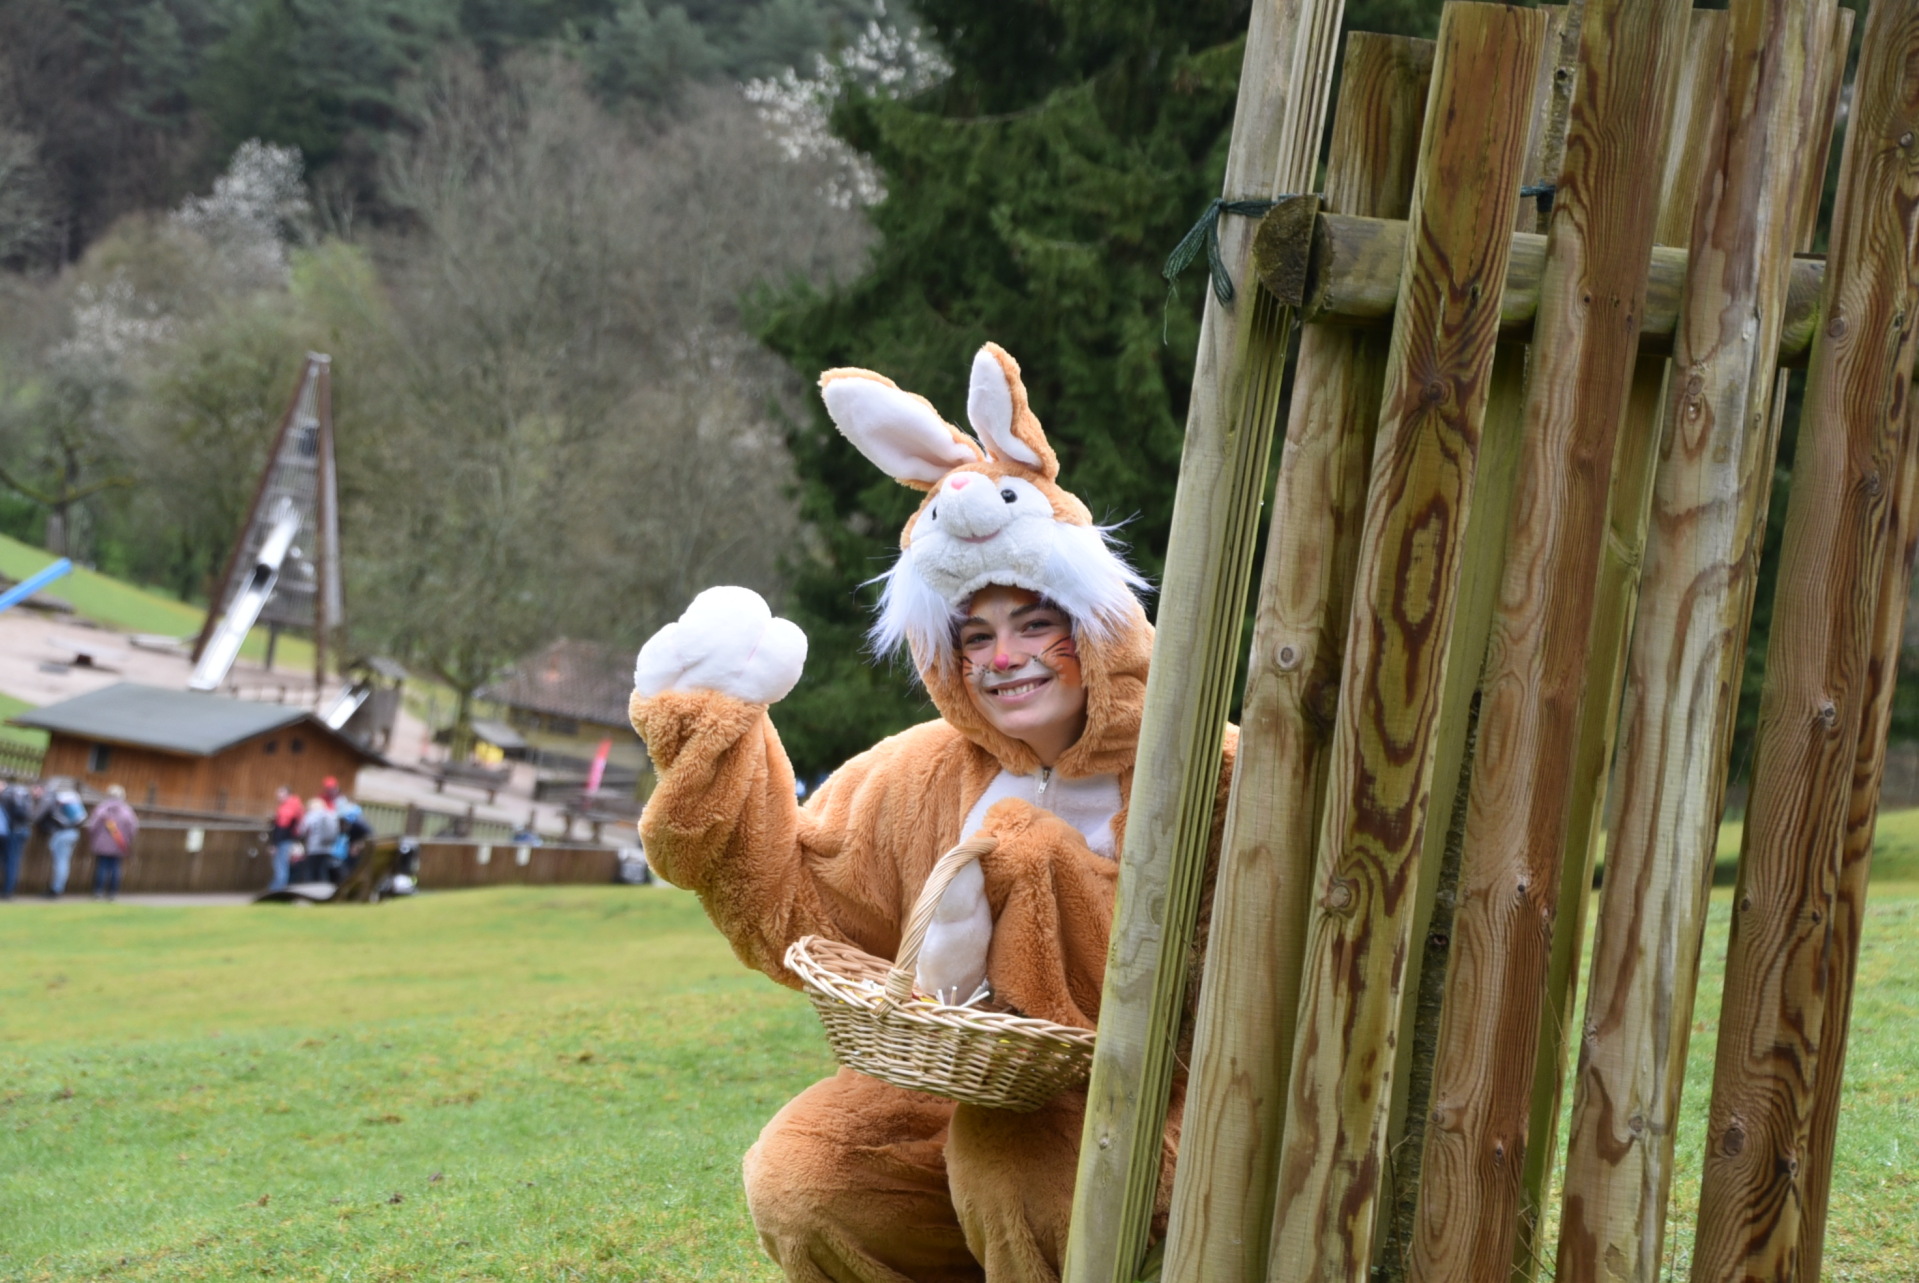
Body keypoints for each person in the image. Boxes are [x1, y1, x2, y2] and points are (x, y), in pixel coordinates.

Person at [630, 345, 1236, 1283]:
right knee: (806, 1175)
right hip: (962, 1090)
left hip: (1165, 1098)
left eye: (1036, 625)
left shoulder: (1208, 762)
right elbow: (798, 909)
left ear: (1094, 624)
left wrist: (1031, 869)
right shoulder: (917, 770)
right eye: (976, 637)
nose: (1006, 659)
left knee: (1017, 1163)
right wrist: (716, 738)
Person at [86, 784, 138, 901]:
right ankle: (112, 893)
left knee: (101, 867)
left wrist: (93, 839)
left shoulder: (101, 809)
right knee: (115, 868)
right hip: (119, 844)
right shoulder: (127, 811)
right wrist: (128, 840)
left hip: (101, 844)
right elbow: (133, 828)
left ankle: (98, 892)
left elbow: (92, 827)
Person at [35, 780, 87, 899]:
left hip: (63, 833)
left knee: (60, 862)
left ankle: (56, 889)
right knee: (63, 862)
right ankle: (57, 887)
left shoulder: (53, 799)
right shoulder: (66, 800)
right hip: (72, 832)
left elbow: (38, 815)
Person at [267, 786, 304, 892]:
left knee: (280, 864)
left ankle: (277, 889)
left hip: (283, 840)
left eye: (280, 793)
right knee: (282, 864)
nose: (278, 796)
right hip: (288, 839)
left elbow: (282, 827)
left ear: (287, 794)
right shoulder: (295, 805)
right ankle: (277, 887)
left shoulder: (288, 807)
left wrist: (274, 843)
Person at [302, 792, 342, 884]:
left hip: (314, 848)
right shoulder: (330, 814)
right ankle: (323, 892)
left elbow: (302, 830)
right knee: (322, 871)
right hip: (327, 847)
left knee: (311, 872)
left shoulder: (311, 815)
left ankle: (310, 892)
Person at [0, 778, 30, 900]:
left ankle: (7, 891)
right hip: (20, 830)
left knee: (11, 861)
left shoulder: (7, 795)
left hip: (13, 831)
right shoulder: (20, 794)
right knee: (12, 861)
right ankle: (8, 890)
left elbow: (20, 814)